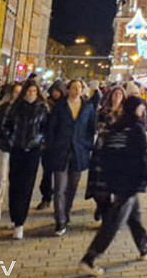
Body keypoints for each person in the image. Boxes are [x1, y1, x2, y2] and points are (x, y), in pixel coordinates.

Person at [79, 96, 147, 276]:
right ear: (136, 110)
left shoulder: (115, 127)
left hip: (116, 181)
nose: (143, 112)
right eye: (141, 108)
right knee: (113, 222)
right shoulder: (136, 130)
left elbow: (105, 155)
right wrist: (143, 180)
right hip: (128, 183)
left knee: (133, 214)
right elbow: (142, 158)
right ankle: (89, 258)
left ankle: (143, 246)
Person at [45, 78, 96, 235]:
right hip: (61, 151)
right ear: (68, 90)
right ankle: (59, 220)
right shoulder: (60, 107)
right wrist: (52, 146)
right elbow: (51, 128)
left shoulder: (88, 107)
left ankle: (66, 213)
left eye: (79, 87)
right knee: (59, 188)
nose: (77, 90)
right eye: (74, 87)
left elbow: (91, 128)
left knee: (72, 188)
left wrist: (87, 145)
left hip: (79, 152)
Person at [4, 80, 49, 240]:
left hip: (33, 151)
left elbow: (46, 128)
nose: (31, 94)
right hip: (17, 150)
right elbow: (6, 126)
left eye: (33, 91)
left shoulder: (42, 109)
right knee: (14, 184)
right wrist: (12, 140)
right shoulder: (15, 107)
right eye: (28, 91)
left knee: (27, 185)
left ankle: (20, 222)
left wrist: (39, 141)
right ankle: (13, 215)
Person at [87, 85, 125, 221]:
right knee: (99, 187)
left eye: (120, 95)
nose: (117, 97)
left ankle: (108, 215)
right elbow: (98, 127)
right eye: (115, 94)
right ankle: (101, 206)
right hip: (102, 151)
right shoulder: (103, 111)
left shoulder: (125, 114)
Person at [0, 82, 21, 221]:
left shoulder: (26, 109)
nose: (18, 95)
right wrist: (3, 135)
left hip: (19, 149)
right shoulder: (2, 108)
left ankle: (13, 210)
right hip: (3, 147)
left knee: (15, 180)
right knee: (1, 179)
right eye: (16, 92)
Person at [36, 79, 66, 210]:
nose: (55, 94)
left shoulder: (66, 106)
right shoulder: (46, 105)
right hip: (47, 144)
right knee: (47, 173)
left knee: (60, 175)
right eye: (54, 91)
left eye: (58, 91)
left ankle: (60, 202)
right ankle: (46, 197)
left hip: (61, 145)